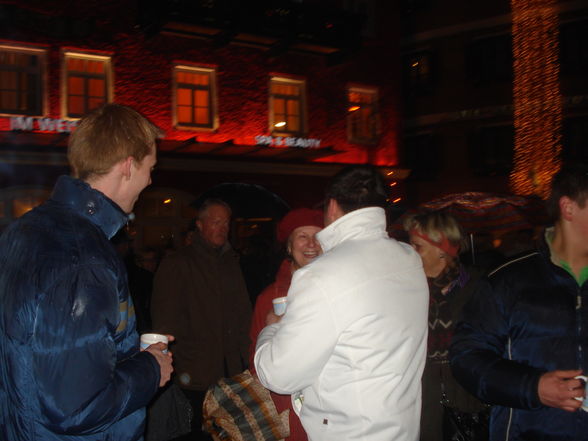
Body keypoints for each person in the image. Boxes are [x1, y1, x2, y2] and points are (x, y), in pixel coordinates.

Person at [0, 103, 174, 441]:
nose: (150, 180)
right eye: (150, 168)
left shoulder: (22, 231)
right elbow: (76, 407)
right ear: (128, 166)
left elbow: (41, 358)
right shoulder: (84, 260)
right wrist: (151, 369)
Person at [254, 165, 429, 441]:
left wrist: (272, 329)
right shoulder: (409, 258)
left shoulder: (323, 275)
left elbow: (279, 376)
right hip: (402, 430)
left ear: (332, 207)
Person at [450, 163, 588, 441]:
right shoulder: (507, 280)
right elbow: (467, 357)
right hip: (527, 431)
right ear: (569, 208)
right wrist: (533, 387)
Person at [151, 198, 252, 441]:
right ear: (199, 225)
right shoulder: (178, 263)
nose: (222, 228)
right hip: (195, 374)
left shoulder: (230, 262)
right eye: (215, 222)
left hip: (231, 370)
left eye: (226, 223)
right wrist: (179, 365)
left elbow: (242, 313)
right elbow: (164, 321)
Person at [404, 212, 487, 441]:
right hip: (420, 400)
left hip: (468, 398)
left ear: (442, 249)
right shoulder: (406, 288)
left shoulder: (479, 288)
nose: (409, 251)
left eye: (417, 245)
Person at [249, 207, 323, 441]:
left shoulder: (337, 290)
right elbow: (256, 363)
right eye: (303, 236)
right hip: (289, 414)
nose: (312, 244)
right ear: (289, 247)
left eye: (318, 237)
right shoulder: (269, 298)